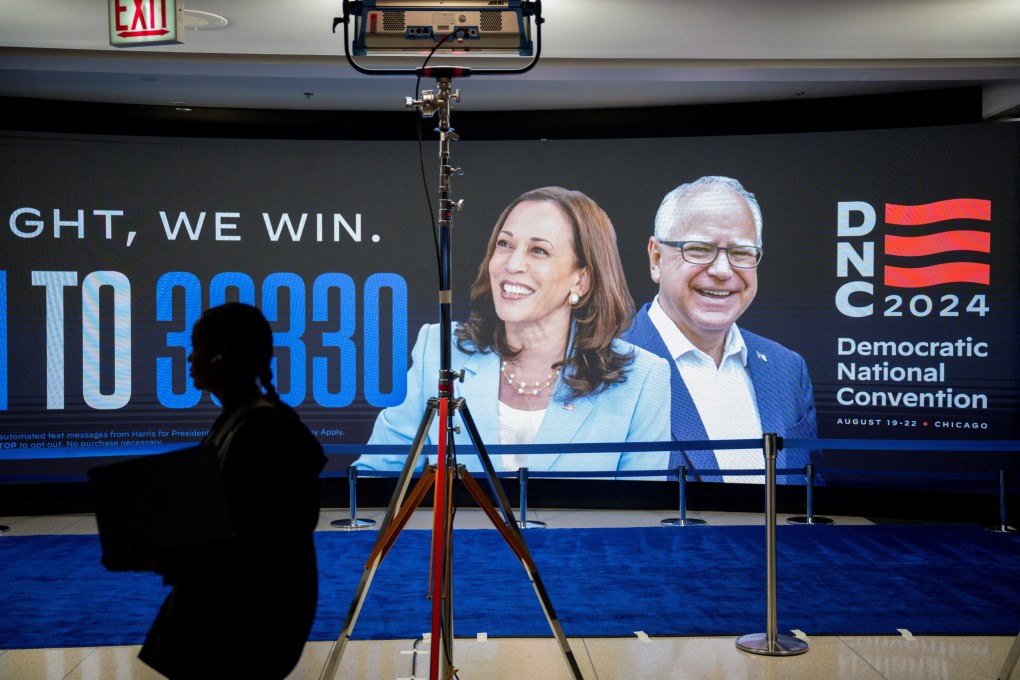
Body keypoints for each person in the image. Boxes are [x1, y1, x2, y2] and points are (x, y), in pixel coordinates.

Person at [359, 186, 671, 476]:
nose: (513, 264)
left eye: (539, 250)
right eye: (505, 244)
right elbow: (372, 481)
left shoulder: (643, 380)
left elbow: (642, 510)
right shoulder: (439, 349)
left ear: (581, 280)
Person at [138, 302, 326, 679]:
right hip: (246, 613)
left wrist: (165, 557)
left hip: (246, 622)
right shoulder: (249, 421)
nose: (189, 358)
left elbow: (248, 542)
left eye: (196, 347)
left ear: (221, 356)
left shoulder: (261, 431)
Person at [624, 176, 820, 483]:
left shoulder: (787, 369)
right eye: (700, 249)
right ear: (657, 258)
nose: (722, 270)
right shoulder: (601, 368)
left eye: (741, 252)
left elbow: (811, 494)